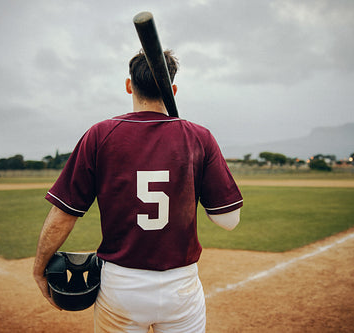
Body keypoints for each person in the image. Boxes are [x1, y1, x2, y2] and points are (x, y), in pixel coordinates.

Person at [33, 50, 243, 332]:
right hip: (180, 286)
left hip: (121, 285)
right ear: (173, 91)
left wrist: (39, 267)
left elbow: (63, 216)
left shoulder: (100, 134)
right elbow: (228, 221)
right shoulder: (199, 137)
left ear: (129, 85)